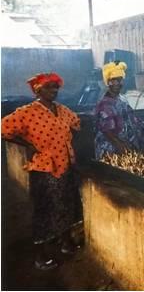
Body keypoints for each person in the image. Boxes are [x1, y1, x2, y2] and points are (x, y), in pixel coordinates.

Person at [1, 72, 83, 270]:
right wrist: (25, 143)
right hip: (45, 169)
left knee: (66, 205)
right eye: (49, 87)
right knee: (46, 211)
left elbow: (77, 123)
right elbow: (3, 129)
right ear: (38, 90)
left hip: (65, 165)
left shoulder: (61, 110)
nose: (54, 91)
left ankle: (66, 243)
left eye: (56, 87)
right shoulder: (27, 112)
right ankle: (41, 256)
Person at [94, 61, 141, 159]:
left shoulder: (122, 98)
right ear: (108, 82)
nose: (117, 83)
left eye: (119, 80)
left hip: (125, 144)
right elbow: (107, 131)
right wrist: (120, 145)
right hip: (111, 148)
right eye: (113, 80)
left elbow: (131, 118)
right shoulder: (105, 103)